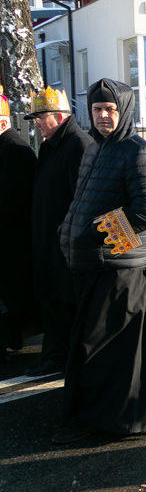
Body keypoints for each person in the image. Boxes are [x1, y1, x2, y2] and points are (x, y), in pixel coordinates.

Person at [55, 78, 146, 444]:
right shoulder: (94, 149)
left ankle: (107, 418)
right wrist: (68, 229)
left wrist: (95, 232)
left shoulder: (138, 151)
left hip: (117, 266)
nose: (103, 116)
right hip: (91, 262)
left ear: (124, 112)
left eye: (110, 110)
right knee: (140, 336)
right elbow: (86, 196)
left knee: (100, 346)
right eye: (97, 109)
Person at [24, 87, 94, 376]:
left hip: (65, 242)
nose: (37, 123)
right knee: (52, 298)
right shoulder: (51, 144)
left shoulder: (78, 144)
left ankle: (64, 356)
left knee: (65, 299)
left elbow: (84, 199)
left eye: (41, 117)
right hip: (47, 239)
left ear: (59, 116)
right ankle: (56, 354)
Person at [0, 87, 37, 357]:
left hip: (13, 236)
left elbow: (13, 199)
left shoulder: (16, 149)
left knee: (13, 290)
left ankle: (14, 335)